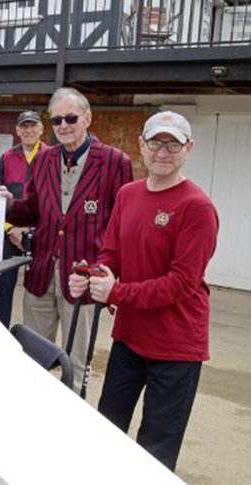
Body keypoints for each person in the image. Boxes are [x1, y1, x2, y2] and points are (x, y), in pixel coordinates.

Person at [69, 112, 218, 471]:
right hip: (130, 339)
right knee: (108, 428)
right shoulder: (127, 194)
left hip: (176, 347)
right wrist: (93, 278)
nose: (162, 152)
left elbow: (181, 284)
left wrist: (117, 293)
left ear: (188, 149)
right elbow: (112, 253)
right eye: (155, 142)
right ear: (141, 145)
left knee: (155, 446)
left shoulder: (197, 208)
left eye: (173, 143)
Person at [0, 87, 133, 392]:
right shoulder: (43, 160)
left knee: (77, 361)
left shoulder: (115, 162)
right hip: (41, 273)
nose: (64, 126)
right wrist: (10, 204)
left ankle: (72, 426)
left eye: (71, 118)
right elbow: (33, 211)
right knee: (32, 357)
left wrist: (112, 278)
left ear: (88, 119)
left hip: (83, 279)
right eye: (57, 120)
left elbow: (121, 227)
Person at [0, 110, 48, 327]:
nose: (28, 131)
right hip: (10, 234)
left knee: (40, 288)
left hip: (41, 232)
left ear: (42, 129)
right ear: (17, 131)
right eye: (24, 126)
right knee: (5, 284)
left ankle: (34, 334)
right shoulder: (6, 158)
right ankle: (2, 331)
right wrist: (10, 229)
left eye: (33, 126)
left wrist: (31, 229)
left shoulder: (53, 156)